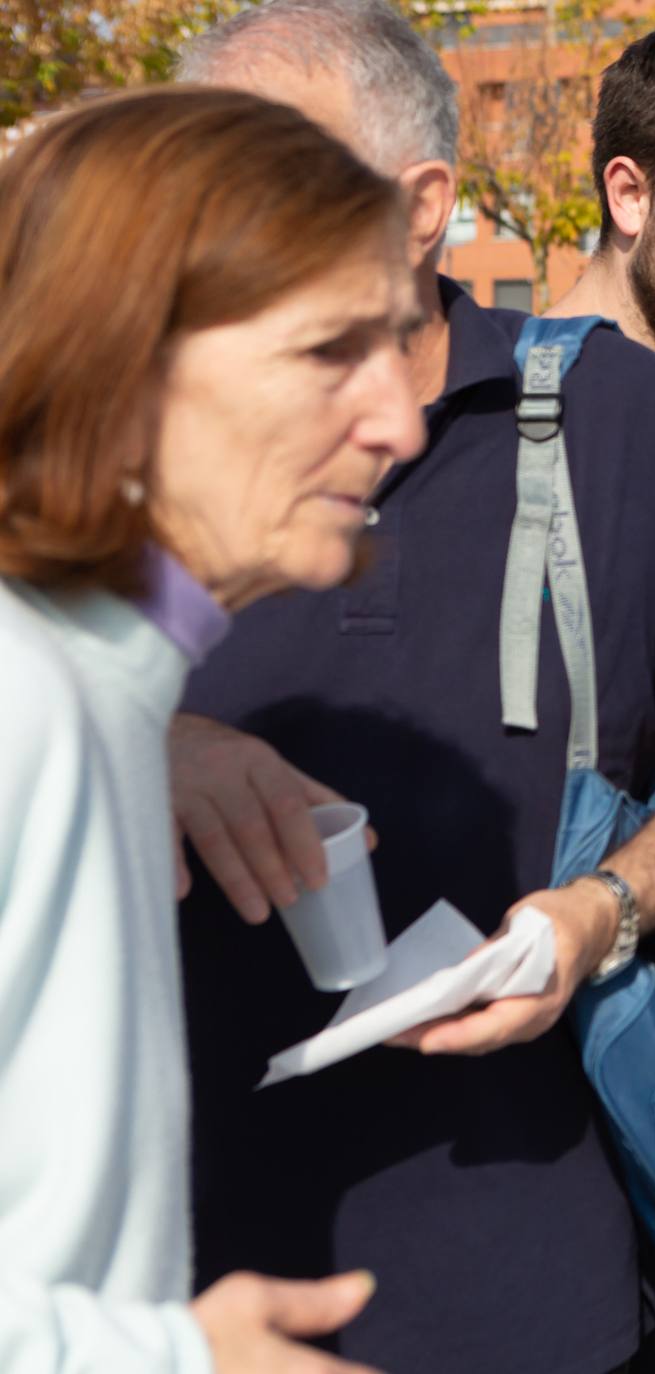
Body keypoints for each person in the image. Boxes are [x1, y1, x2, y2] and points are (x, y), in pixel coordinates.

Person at [173, 10, 655, 1369]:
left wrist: (607, 905)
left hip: (524, 1277)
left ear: (421, 211)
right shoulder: (109, 430)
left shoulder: (625, 422)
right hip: (170, 1283)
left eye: (260, 171)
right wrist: (138, 737)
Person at [0, 85, 421, 1374]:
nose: (397, 422)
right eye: (325, 353)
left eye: (397, 346)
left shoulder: (93, 695)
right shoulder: (26, 699)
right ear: (115, 355)